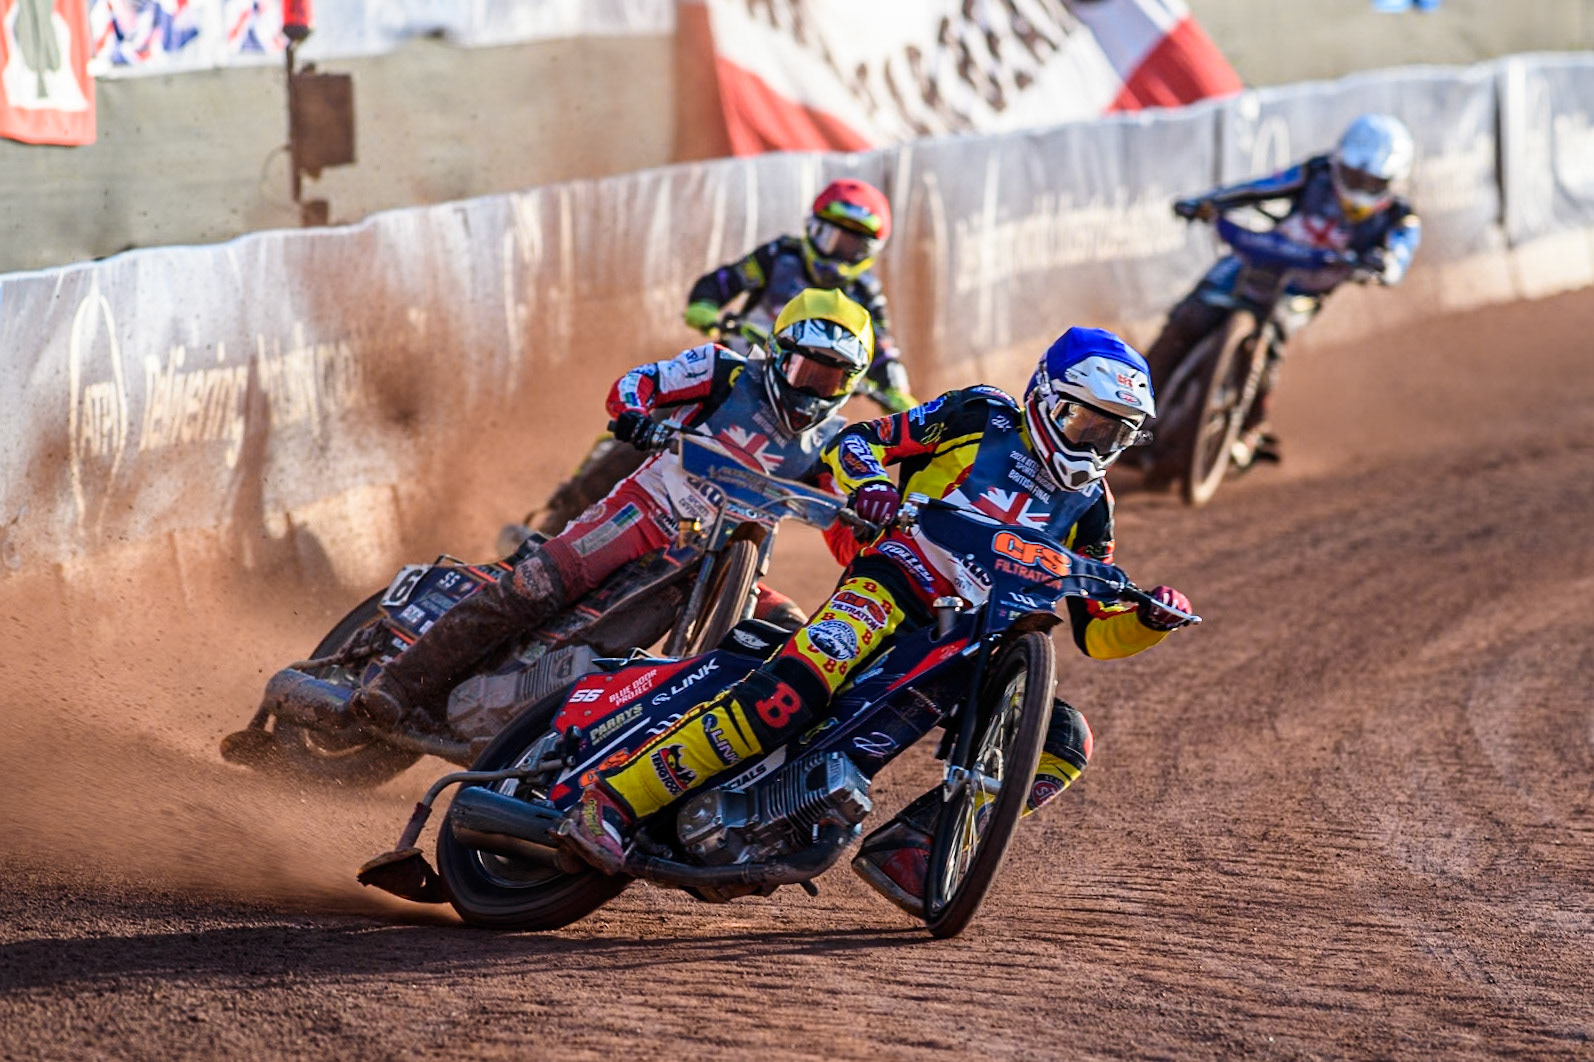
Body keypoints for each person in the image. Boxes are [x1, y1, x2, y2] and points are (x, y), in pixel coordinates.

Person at [560, 327, 1196, 919]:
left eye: (1114, 434)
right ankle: (612, 801)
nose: (1093, 443)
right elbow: (857, 442)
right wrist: (870, 484)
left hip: (979, 644)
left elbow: (1095, 631)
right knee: (793, 691)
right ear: (1045, 398)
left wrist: (1150, 618)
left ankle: (918, 850)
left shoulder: (1093, 504)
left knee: (1064, 742)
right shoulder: (981, 414)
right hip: (895, 581)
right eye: (1085, 420)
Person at [335, 289, 877, 733]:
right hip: (644, 516)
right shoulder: (725, 373)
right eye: (807, 369)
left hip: (726, 566)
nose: (814, 389)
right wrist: (638, 417)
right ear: (780, 354)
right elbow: (638, 383)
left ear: (850, 384)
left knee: (791, 631)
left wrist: (869, 534)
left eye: (830, 378)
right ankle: (398, 685)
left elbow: (844, 527)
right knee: (532, 586)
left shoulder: (834, 443)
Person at [528, 178, 917, 539]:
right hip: (734, 377)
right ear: (813, 229)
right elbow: (722, 281)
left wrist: (899, 391)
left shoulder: (865, 294)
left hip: (795, 399)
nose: (842, 253)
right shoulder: (778, 256)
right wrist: (705, 307)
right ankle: (565, 512)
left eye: (855, 246)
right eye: (835, 239)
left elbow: (883, 347)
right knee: (654, 424)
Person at [1144, 113, 1422, 468]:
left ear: (1393, 180)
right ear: (1340, 163)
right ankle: (1130, 410)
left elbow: (1399, 256)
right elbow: (1258, 188)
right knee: (1188, 319)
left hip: (1303, 292)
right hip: (1257, 260)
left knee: (1270, 342)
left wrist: (1383, 266)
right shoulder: (1316, 172)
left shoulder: (1400, 217)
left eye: (1373, 181)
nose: (1360, 187)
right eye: (1354, 176)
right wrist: (1207, 202)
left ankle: (1250, 430)